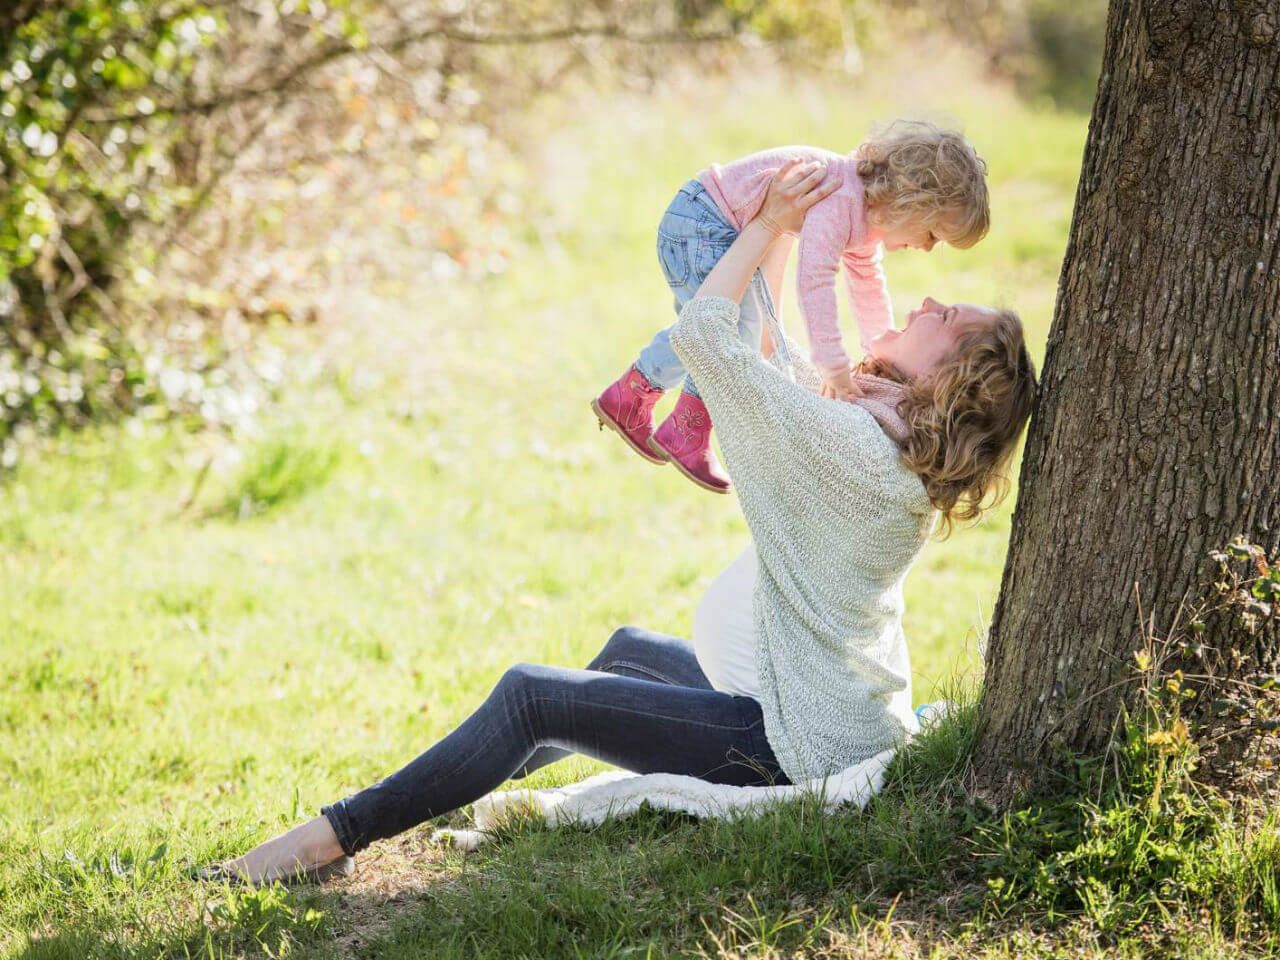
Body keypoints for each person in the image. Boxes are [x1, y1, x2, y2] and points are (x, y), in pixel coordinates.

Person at [199, 160, 1035, 886]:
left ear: (951, 381)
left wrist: (772, 223)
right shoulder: (886, 444)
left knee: (534, 695)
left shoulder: (853, 449)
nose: (928, 299)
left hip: (790, 742)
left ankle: (330, 839)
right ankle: (429, 794)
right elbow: (785, 364)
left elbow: (708, 335)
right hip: (815, 704)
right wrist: (788, 236)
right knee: (627, 653)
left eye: (950, 318)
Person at [591, 119, 990, 494]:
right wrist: (833, 365)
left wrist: (878, 347)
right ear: (911, 203)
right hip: (702, 223)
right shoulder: (842, 199)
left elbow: (867, 285)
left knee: (722, 325)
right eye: (933, 234)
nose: (925, 247)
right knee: (724, 328)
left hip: (711, 223)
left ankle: (633, 397)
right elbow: (814, 281)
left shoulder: (865, 218)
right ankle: (684, 427)